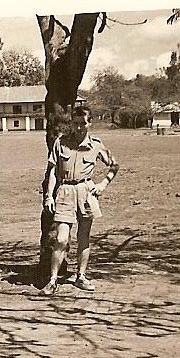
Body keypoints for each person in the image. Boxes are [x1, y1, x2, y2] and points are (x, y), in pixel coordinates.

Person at [41, 105, 119, 295]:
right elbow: (52, 170)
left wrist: (102, 185)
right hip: (65, 191)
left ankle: (81, 277)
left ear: (89, 123)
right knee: (61, 239)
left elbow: (114, 165)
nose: (78, 128)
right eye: (75, 124)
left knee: (83, 238)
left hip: (86, 192)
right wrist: (48, 196)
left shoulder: (96, 145)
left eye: (82, 123)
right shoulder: (61, 143)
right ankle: (52, 280)